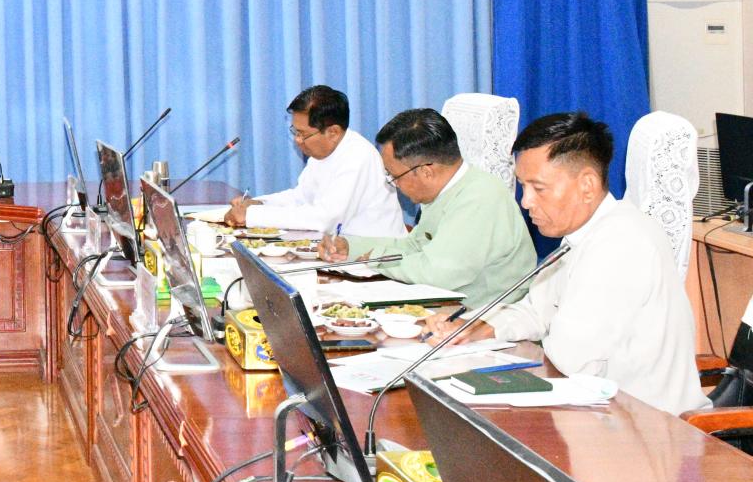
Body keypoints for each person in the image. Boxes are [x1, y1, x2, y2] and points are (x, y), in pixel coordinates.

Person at [420, 112, 707, 415]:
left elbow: (571, 358)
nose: (525, 201)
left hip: (647, 426)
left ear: (587, 185)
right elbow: (536, 310)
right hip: (601, 414)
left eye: (538, 188)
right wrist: (476, 327)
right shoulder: (584, 232)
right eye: (523, 186)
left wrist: (535, 330)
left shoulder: (621, 241)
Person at [318, 108, 536, 309]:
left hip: (483, 318)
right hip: (449, 307)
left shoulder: (480, 196)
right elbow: (415, 246)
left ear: (426, 172)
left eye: (394, 176)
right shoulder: (447, 190)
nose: (393, 184)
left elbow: (438, 272)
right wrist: (351, 247)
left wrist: (375, 258)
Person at [226, 85, 404, 237]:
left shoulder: (358, 156)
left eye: (303, 134)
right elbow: (301, 198)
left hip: (377, 258)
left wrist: (252, 216)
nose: (297, 140)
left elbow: (325, 219)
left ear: (333, 132)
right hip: (340, 251)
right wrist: (259, 203)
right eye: (295, 132)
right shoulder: (322, 153)